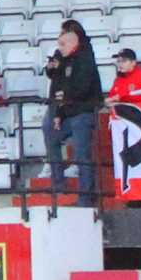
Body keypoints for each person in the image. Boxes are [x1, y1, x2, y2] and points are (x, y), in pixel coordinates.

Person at [43, 22, 104, 211]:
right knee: (53, 137)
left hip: (83, 111)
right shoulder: (64, 59)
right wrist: (59, 113)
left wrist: (65, 99)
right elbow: (59, 83)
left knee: (82, 153)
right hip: (69, 110)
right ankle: (58, 184)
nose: (59, 49)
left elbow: (83, 87)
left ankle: (86, 197)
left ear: (72, 42)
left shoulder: (85, 58)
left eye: (62, 44)